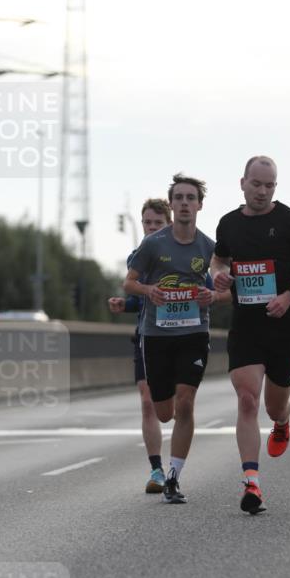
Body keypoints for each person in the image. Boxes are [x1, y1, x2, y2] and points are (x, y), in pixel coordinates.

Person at [211, 155, 290, 515]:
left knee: (274, 406)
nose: (262, 191)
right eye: (256, 184)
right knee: (247, 400)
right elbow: (219, 261)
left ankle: (283, 420)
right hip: (246, 325)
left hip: (285, 326)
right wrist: (220, 275)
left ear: (275, 187)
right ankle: (252, 483)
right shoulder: (228, 224)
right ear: (242, 183)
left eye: (269, 185)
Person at [123, 174, 226, 504]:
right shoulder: (154, 244)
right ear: (172, 204)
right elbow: (130, 283)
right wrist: (148, 290)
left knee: (186, 402)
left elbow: (229, 289)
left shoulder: (209, 247)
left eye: (190, 198)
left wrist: (213, 296)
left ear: (199, 205)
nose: (184, 203)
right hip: (156, 335)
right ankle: (169, 470)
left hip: (194, 332)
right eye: (179, 198)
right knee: (164, 411)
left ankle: (173, 477)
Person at [108, 198, 171, 494]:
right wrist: (126, 304)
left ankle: (179, 460)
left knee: (173, 408)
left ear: (168, 224)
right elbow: (139, 295)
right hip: (146, 337)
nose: (152, 228)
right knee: (147, 403)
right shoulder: (138, 256)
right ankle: (157, 469)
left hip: (180, 339)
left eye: (158, 223)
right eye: (148, 223)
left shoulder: (185, 253)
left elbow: (206, 287)